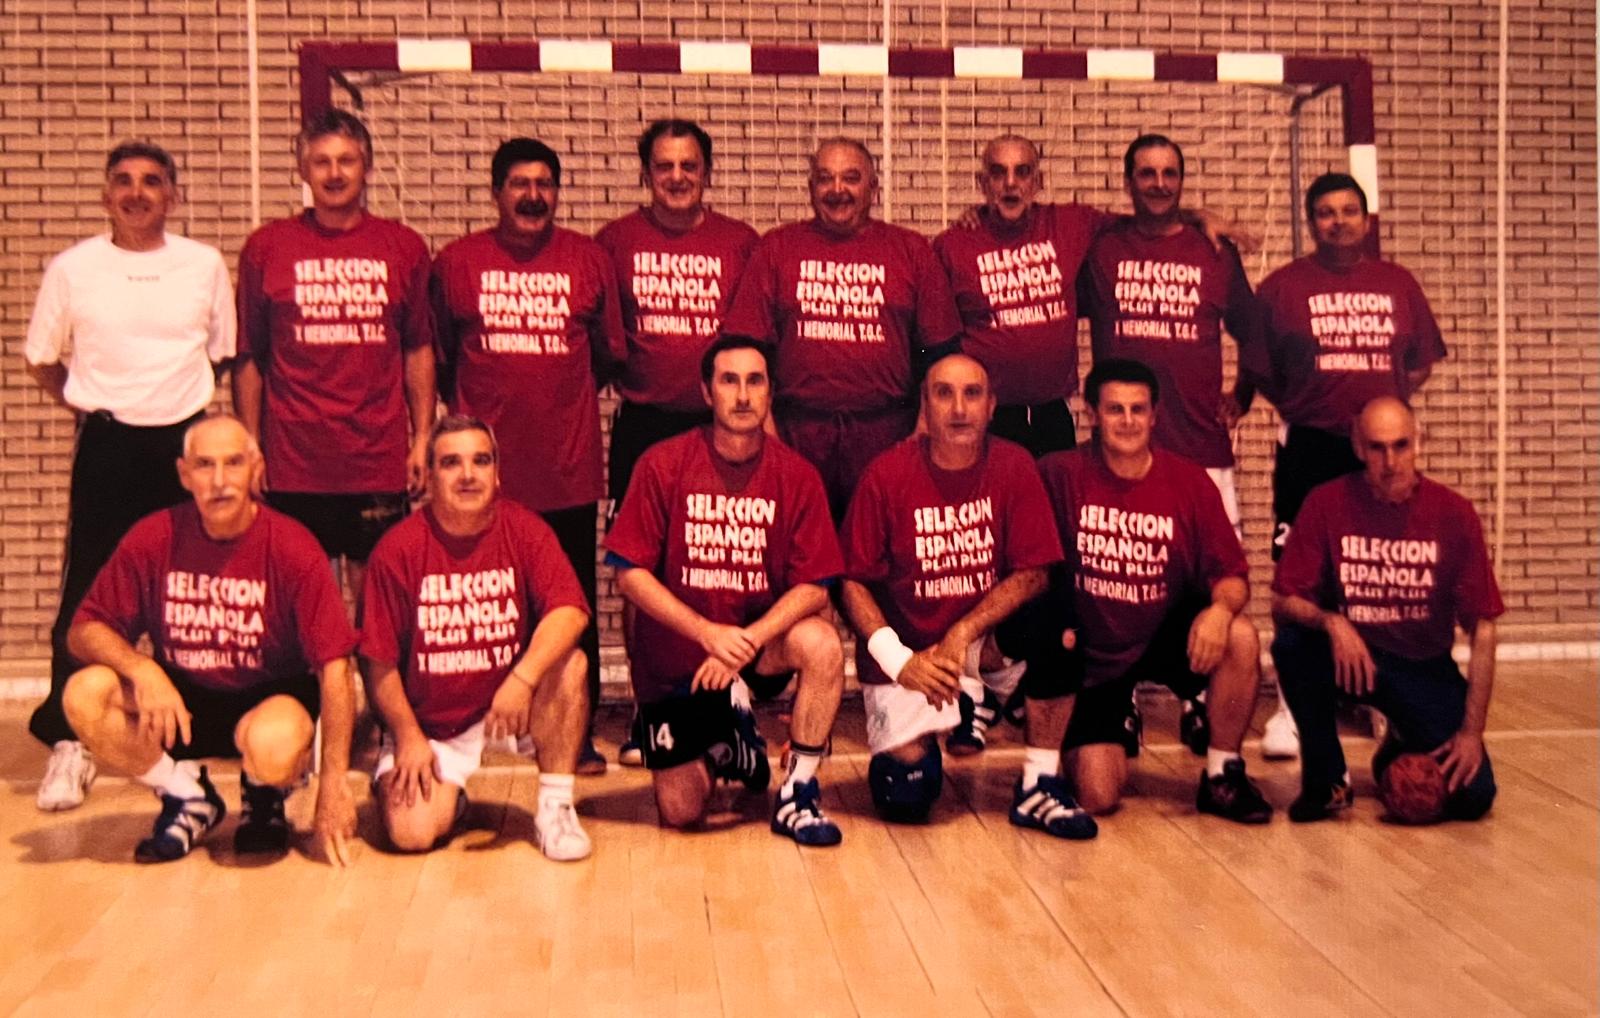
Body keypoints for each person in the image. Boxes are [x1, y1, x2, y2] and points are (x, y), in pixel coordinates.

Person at [24, 140, 236, 812]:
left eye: (152, 181)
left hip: (183, 440)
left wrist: (170, 412)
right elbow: (42, 361)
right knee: (89, 591)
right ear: (106, 193)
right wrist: (97, 405)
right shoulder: (73, 268)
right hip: (109, 442)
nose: (137, 192)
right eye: (123, 181)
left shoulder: (202, 265)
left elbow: (223, 355)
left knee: (193, 588)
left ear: (173, 193)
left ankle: (192, 724)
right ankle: (70, 743)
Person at [1078, 134, 1296, 759]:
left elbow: (1254, 335)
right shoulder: (1104, 247)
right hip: (1119, 450)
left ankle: (1202, 701)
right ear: (1128, 182)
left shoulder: (1211, 251)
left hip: (1200, 446)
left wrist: (1245, 393)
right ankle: (1119, 700)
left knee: (1207, 584)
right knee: (1116, 576)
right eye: (1145, 173)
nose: (1158, 183)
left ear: (1182, 180)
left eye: (1169, 173)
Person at [59, 415, 358, 864]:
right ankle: (186, 794)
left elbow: (337, 668)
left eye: (233, 463)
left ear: (256, 468)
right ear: (184, 474)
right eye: (204, 465)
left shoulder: (292, 546)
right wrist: (142, 669)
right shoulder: (154, 536)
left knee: (273, 745)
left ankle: (265, 794)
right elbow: (83, 630)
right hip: (183, 697)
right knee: (84, 694)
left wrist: (334, 782)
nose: (219, 481)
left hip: (268, 695)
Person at [839, 352, 1096, 838]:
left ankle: (1039, 782)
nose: (959, 408)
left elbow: (1037, 572)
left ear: (992, 405)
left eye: (972, 394)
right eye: (944, 393)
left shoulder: (1015, 464)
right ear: (925, 405)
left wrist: (964, 632)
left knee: (1058, 620)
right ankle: (945, 721)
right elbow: (852, 583)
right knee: (906, 796)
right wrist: (898, 660)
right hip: (911, 655)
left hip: (980, 645)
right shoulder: (886, 474)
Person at [431, 137, 625, 775]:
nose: (533, 195)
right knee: (484, 600)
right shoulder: (457, 262)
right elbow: (440, 360)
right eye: (519, 183)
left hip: (565, 470)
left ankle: (576, 731)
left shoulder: (588, 259)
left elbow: (606, 358)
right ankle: (474, 725)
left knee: (571, 606)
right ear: (495, 192)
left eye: (544, 183)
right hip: (479, 478)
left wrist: (555, 403)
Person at [606, 336, 847, 845]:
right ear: (706, 391)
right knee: (680, 810)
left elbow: (817, 584)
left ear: (770, 394)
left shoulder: (797, 475)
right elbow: (628, 572)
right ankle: (728, 741)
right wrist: (706, 633)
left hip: (756, 650)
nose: (742, 395)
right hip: (684, 658)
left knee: (822, 643)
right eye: (729, 381)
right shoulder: (662, 464)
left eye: (754, 381)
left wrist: (749, 639)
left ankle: (798, 792)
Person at [1037, 358, 1273, 823]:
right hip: (1094, 654)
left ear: (1154, 415)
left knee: (1241, 637)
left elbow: (1232, 576)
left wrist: (1220, 612)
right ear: (1092, 413)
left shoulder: (1189, 482)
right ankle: (1095, 730)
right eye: (1115, 409)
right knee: (1098, 796)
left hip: (1164, 632)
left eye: (1137, 410)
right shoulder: (1059, 474)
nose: (1127, 421)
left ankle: (1223, 774)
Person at [595, 119, 760, 767]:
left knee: (724, 563)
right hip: (643, 427)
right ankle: (648, 713)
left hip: (720, 429)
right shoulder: (614, 242)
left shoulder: (740, 243)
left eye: (689, 164)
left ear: (707, 172)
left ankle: (727, 706)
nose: (677, 176)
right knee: (639, 577)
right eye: (664, 165)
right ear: (646, 174)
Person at [359, 416, 593, 859]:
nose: (468, 475)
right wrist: (408, 735)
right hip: (431, 724)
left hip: (510, 708)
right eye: (451, 463)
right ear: (428, 478)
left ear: (497, 473)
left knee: (571, 666)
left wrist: (523, 679)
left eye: (480, 461)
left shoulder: (524, 529)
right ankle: (450, 797)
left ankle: (556, 806)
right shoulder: (398, 550)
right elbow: (378, 662)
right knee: (412, 834)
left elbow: (571, 611)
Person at [234, 109, 436, 603]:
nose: (334, 173)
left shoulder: (403, 246)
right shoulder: (266, 247)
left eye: (347, 161)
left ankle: (381, 685)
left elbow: (418, 349)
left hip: (376, 460)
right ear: (302, 171)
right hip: (293, 462)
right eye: (321, 162)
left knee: (379, 610)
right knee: (302, 609)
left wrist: (424, 435)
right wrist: (250, 444)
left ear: (366, 167)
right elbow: (250, 357)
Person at [1271, 397, 1501, 823]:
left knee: (1473, 796)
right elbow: (1282, 600)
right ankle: (1327, 780)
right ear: (1358, 448)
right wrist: (1332, 620)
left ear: (1418, 444)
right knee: (1293, 644)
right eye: (1377, 447)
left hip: (1422, 667)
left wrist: (1472, 733)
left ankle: (1400, 741)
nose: (1390, 461)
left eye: (1401, 446)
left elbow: (1483, 628)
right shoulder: (1327, 503)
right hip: (1353, 658)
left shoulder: (1453, 514)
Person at [723, 137, 962, 521]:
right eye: (825, 179)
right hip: (798, 431)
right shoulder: (777, 249)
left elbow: (939, 352)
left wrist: (923, 427)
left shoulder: (912, 251)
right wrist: (764, 429)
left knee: (880, 555)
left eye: (851, 178)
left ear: (873, 188)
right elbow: (746, 348)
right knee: (800, 555)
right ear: (810, 189)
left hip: (886, 432)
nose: (837, 190)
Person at [1258, 173, 1446, 560]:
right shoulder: (1281, 286)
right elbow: (1261, 368)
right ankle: (1307, 624)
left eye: (1349, 211)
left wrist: (1381, 404)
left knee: (1379, 553)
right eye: (1326, 214)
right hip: (1312, 444)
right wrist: (1307, 401)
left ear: (1367, 220)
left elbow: (1419, 364)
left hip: (1381, 447)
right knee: (1302, 558)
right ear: (1312, 224)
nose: (1338, 221)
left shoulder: (1399, 283)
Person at [932, 134, 1109, 458]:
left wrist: (1198, 217)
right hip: (985, 418)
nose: (1010, 183)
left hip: (1052, 414)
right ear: (983, 183)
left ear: (1038, 181)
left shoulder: (1070, 224)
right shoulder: (953, 245)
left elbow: (1143, 227)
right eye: (998, 173)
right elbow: (935, 341)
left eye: (1022, 172)